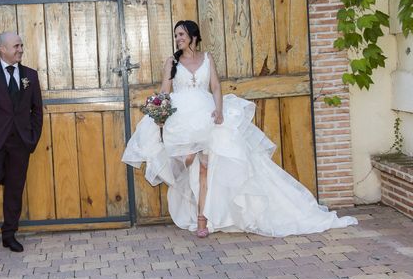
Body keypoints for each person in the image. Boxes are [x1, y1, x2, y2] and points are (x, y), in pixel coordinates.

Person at [122, 20, 357, 238]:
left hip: (207, 116)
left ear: (193, 36)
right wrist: (159, 109)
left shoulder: (208, 58)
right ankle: (191, 182)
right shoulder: (171, 62)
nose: (178, 39)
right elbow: (165, 89)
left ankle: (202, 220)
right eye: (176, 36)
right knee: (189, 161)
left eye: (181, 34)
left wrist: (220, 109)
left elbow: (215, 87)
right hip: (182, 120)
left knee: (205, 167)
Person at [0, 31, 43, 252]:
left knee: (15, 189)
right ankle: (3, 174)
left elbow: (37, 110)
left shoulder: (30, 75)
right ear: (2, 49)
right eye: (16, 46)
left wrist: (33, 137)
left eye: (21, 45)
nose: (20, 49)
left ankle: (9, 234)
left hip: (21, 141)